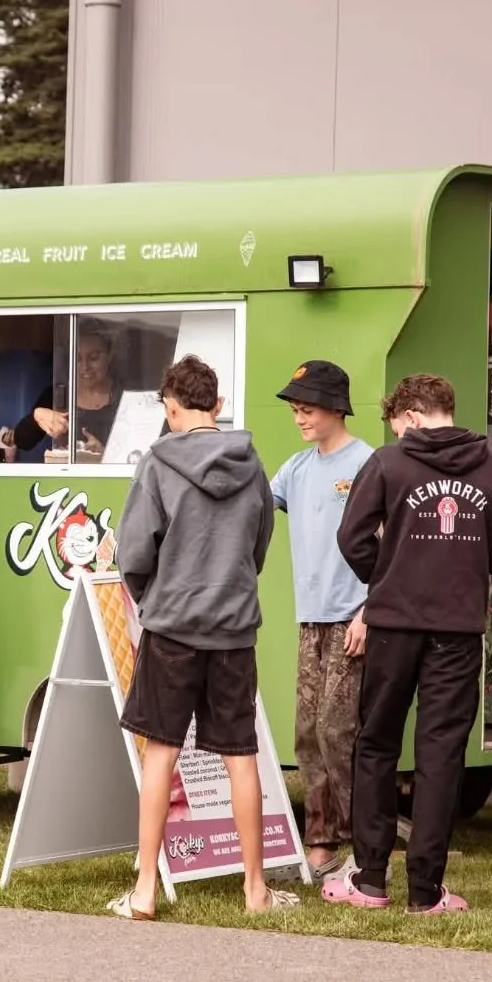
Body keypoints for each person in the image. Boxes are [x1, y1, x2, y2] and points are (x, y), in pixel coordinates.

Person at [107, 355, 297, 920]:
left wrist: (153, 598)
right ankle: (256, 890)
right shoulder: (254, 464)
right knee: (241, 756)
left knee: (161, 751)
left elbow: (134, 551)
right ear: (216, 405)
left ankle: (144, 890)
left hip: (172, 628)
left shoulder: (158, 464)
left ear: (170, 408)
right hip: (234, 627)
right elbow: (259, 546)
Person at [328, 374, 492, 914]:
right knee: (441, 754)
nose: (397, 436)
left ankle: (369, 881)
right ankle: (425, 891)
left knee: (377, 744)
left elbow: (351, 536)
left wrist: (388, 573)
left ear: (412, 416)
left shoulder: (389, 465)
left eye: (398, 426)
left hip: (392, 624)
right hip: (458, 629)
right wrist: (458, 560)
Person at [269, 360, 374, 881]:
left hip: (353, 620)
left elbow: (394, 548)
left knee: (339, 730)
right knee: (307, 733)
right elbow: (257, 504)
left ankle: (364, 848)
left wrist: (369, 611)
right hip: (310, 620)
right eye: (294, 410)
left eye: (306, 409)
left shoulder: (370, 465)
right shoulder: (295, 468)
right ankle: (320, 847)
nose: (299, 418)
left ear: (336, 406)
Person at [12, 322, 121, 457]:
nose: (85, 367)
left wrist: (105, 454)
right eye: (78, 359)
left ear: (109, 356)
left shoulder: (125, 397)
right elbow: (22, 441)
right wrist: (37, 416)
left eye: (94, 358)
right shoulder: (57, 395)